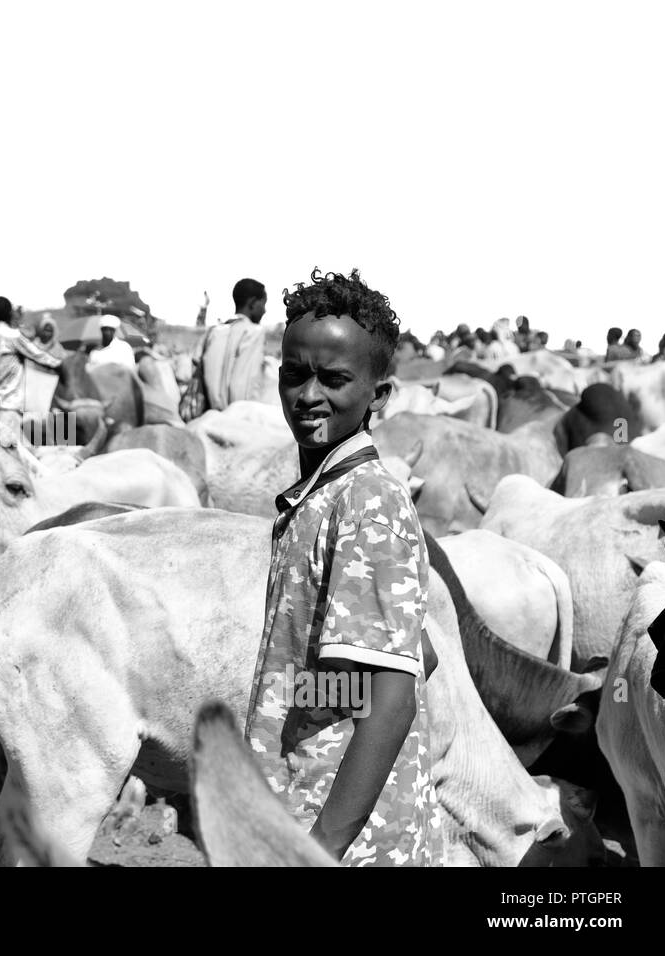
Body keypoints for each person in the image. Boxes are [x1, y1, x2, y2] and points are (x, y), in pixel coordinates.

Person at [245, 268, 439, 866]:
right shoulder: (321, 494)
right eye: (294, 376)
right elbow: (416, 653)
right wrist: (306, 699)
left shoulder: (366, 500)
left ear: (378, 395)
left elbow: (392, 698)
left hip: (342, 839)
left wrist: (321, 846)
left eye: (334, 380)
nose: (307, 397)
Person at [0, 295, 65, 436]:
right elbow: (40, 356)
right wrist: (61, 365)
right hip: (10, 410)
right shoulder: (12, 336)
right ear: (10, 313)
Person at [192, 278, 267, 410]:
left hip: (208, 415)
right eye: (263, 304)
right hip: (234, 418)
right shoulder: (254, 332)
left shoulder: (212, 332)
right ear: (253, 303)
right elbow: (242, 387)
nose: (264, 310)